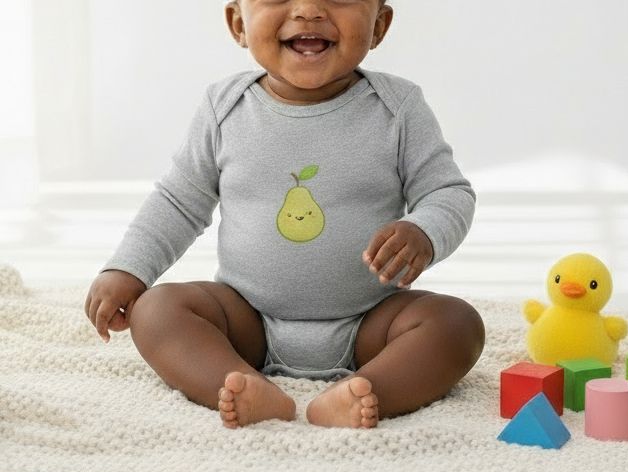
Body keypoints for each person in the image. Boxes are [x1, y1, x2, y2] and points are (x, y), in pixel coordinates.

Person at [84, 0, 485, 430]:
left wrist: (423, 230)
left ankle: (367, 391)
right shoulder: (225, 108)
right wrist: (128, 269)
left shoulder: (398, 107)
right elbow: (179, 201)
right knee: (156, 310)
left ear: (379, 26)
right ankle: (239, 384)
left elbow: (447, 192)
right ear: (239, 24)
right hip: (246, 321)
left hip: (372, 322)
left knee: (457, 324)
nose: (309, 10)